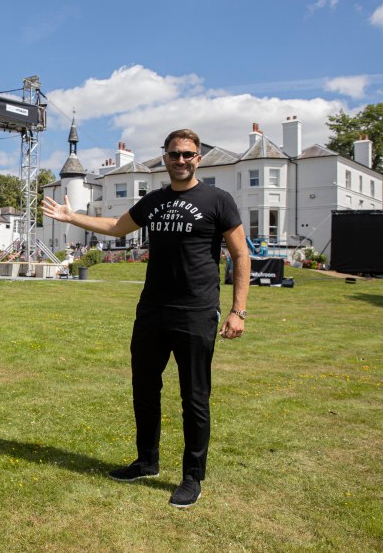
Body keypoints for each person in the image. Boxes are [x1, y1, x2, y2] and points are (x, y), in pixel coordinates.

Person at [42, 128, 250, 508]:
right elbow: (115, 227)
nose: (181, 160)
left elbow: (241, 256)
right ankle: (147, 461)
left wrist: (238, 310)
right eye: (174, 154)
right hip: (152, 311)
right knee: (144, 388)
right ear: (166, 158)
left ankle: (192, 477)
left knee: (195, 398)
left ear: (198, 158)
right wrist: (72, 216)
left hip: (197, 312)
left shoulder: (218, 200)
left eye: (188, 154)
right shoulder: (154, 201)